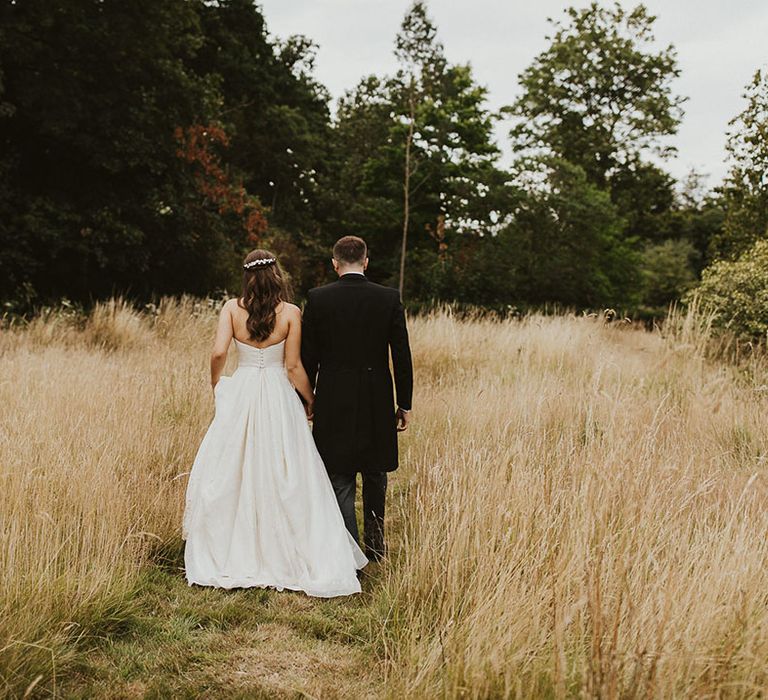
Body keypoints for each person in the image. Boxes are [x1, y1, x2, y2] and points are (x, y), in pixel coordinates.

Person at [181, 249, 367, 597]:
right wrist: (311, 400)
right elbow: (294, 366)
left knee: (232, 466)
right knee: (288, 468)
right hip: (279, 394)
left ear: (246, 276)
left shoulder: (232, 308)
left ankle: (233, 548)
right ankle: (290, 549)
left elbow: (218, 352)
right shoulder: (292, 313)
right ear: (277, 274)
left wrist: (217, 383)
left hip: (245, 390)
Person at [301, 235, 413, 562]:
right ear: (366, 262)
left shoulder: (318, 299)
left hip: (333, 397)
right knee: (376, 473)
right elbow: (401, 356)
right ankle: (375, 549)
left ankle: (349, 555)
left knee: (339, 476)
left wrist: (307, 401)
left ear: (335, 264)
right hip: (377, 396)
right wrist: (403, 402)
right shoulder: (388, 298)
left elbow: (308, 357)